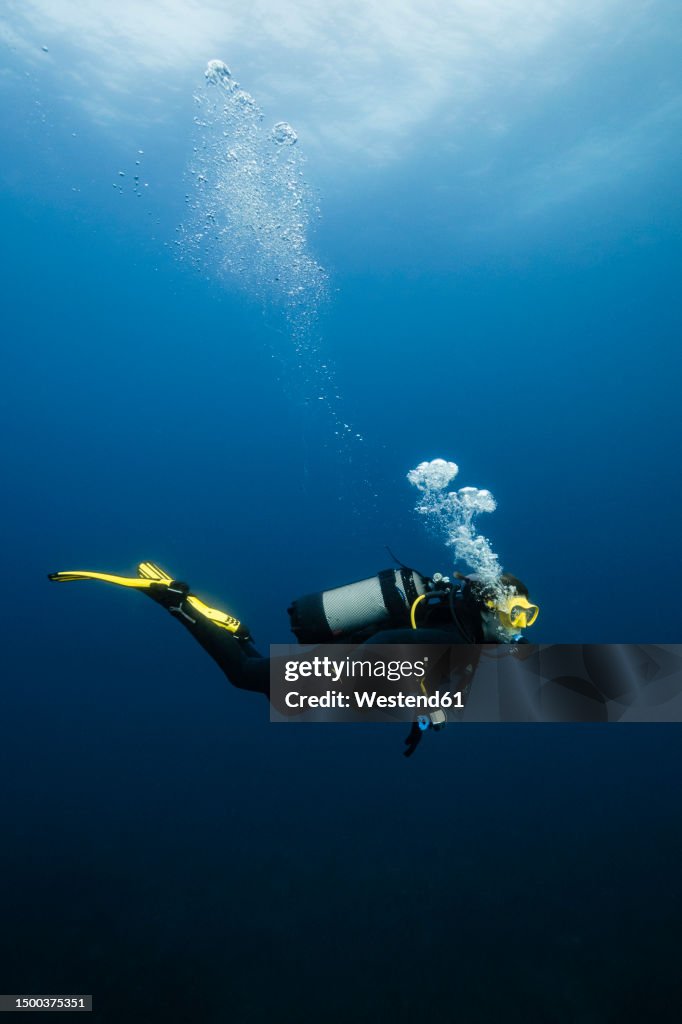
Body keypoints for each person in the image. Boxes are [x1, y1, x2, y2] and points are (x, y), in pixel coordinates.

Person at [48, 560, 539, 754]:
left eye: (527, 616)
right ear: (490, 604)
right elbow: (392, 652)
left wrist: (419, 711)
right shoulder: (455, 635)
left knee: (252, 675)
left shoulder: (458, 630)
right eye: (518, 613)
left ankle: (220, 623)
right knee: (244, 675)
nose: (520, 625)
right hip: (345, 667)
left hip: (344, 661)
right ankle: (175, 599)